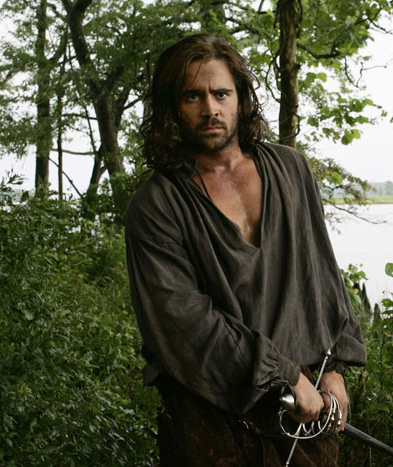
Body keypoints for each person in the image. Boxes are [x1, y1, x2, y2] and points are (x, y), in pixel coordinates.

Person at [125, 33, 367, 466]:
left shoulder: (290, 170)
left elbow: (321, 275)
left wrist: (334, 368)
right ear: (172, 108)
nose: (210, 109)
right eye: (193, 96)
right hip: (209, 410)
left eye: (221, 94)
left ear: (240, 98)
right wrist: (282, 373)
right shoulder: (157, 204)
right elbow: (185, 322)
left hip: (303, 407)